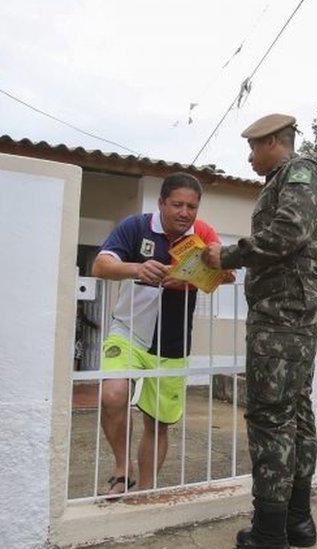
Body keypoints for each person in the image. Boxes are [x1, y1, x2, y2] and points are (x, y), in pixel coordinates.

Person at [203, 114, 317, 549]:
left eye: (255, 147)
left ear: (276, 141)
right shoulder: (289, 177)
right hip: (292, 309)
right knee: (295, 410)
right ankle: (296, 522)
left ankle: (269, 532)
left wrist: (228, 256)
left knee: (270, 416)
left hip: (284, 312)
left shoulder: (300, 171)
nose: (250, 156)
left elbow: (287, 234)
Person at [92, 172, 230, 494]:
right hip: (128, 331)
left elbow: (226, 275)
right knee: (112, 396)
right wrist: (136, 268)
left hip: (173, 342)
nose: (185, 213)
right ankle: (122, 469)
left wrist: (192, 277)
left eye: (192, 207)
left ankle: (147, 491)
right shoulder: (136, 227)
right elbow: (100, 265)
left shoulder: (203, 233)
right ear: (161, 203)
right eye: (177, 204)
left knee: (157, 421)